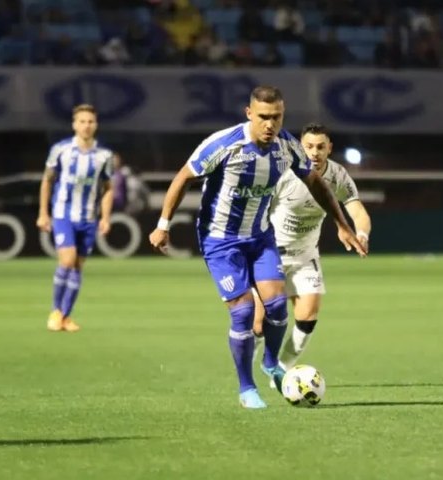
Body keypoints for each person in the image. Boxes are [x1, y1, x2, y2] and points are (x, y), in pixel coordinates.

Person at [148, 86, 367, 409]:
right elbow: (183, 178)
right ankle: (246, 388)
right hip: (220, 241)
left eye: (276, 117)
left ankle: (270, 365)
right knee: (244, 312)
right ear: (249, 113)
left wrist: (342, 224)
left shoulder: (286, 147)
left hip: (260, 236)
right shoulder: (223, 145)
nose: (269, 124)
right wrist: (163, 225)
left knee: (277, 307)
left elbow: (316, 182)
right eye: (263, 117)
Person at [252, 122, 371, 374]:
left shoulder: (338, 176)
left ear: (329, 148)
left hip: (306, 255)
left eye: (320, 147)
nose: (314, 152)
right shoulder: (284, 173)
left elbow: (357, 209)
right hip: (272, 254)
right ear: (300, 147)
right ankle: (245, 368)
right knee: (260, 325)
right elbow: (258, 209)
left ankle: (279, 371)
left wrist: (361, 233)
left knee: (307, 318)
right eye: (308, 147)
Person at [36, 104, 114, 332]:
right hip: (63, 214)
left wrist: (105, 217)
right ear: (74, 124)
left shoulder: (104, 156)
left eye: (90, 121)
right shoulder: (61, 150)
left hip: (88, 217)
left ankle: (66, 317)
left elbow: (108, 187)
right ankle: (55, 311)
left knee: (78, 266)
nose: (86, 125)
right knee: (67, 261)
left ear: (96, 124)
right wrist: (43, 212)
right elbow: (47, 180)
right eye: (82, 121)